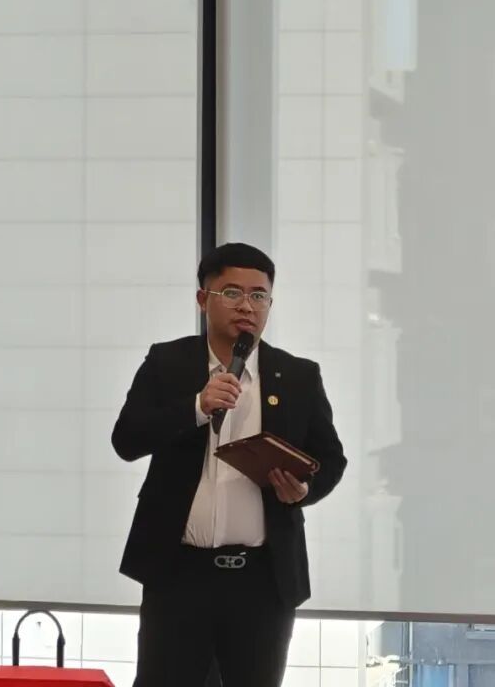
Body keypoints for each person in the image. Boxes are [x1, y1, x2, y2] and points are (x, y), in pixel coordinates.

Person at [112, 242, 348, 687]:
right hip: (177, 575)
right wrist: (196, 406)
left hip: (262, 581)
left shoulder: (298, 376)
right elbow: (126, 440)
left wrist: (304, 491)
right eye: (233, 293)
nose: (247, 306)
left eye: (259, 295)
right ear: (203, 299)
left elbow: (331, 460)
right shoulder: (167, 363)